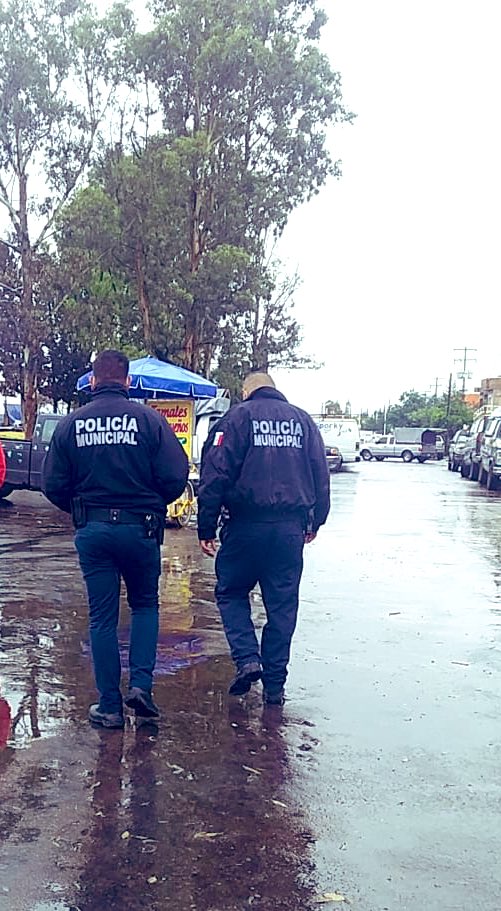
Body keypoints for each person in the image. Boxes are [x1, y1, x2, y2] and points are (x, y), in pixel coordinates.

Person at [42, 349, 189, 729]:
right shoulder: (151, 421)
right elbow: (177, 475)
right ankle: (140, 687)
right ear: (127, 381)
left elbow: (52, 484)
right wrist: (151, 504)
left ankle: (109, 707)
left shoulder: (71, 424)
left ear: (93, 381)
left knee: (102, 617)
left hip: (93, 531)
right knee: (145, 606)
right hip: (141, 528)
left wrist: (81, 508)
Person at [197, 371, 330, 705]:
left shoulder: (236, 419)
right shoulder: (303, 422)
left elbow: (214, 475)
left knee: (231, 592)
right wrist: (317, 520)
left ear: (247, 391)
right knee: (282, 607)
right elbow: (321, 474)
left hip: (244, 526)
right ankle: (274, 687)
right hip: (289, 531)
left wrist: (206, 527)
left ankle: (247, 658)